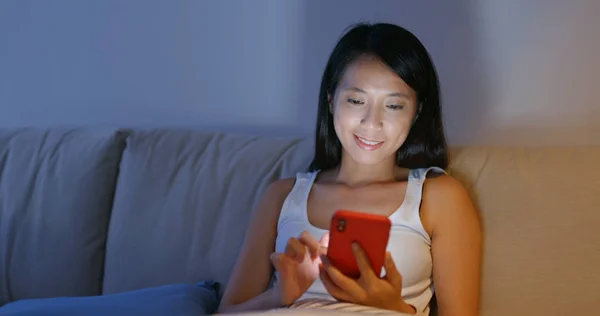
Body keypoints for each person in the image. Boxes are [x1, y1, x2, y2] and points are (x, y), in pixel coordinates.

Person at [218, 22, 481, 315]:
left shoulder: (439, 197)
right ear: (331, 100)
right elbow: (227, 311)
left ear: (417, 112)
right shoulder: (282, 196)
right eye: (356, 100)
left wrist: (392, 306)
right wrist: (280, 296)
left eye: (394, 106)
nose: (372, 123)